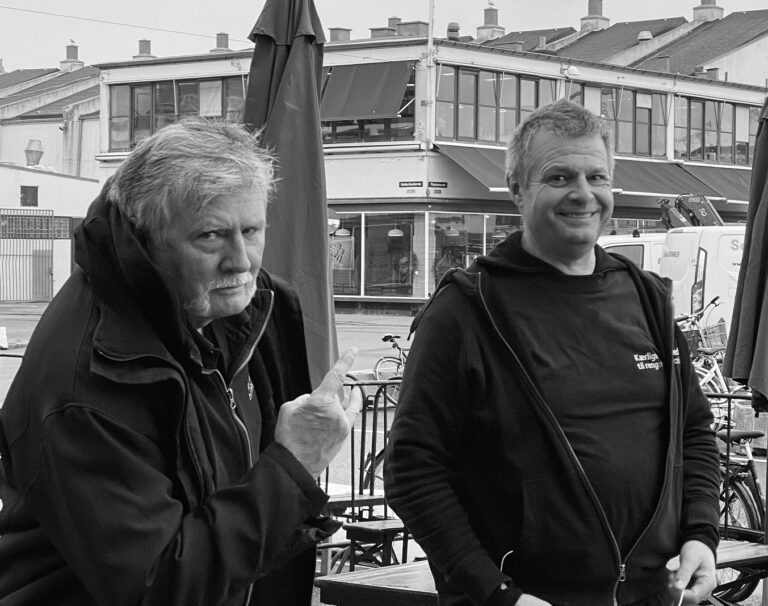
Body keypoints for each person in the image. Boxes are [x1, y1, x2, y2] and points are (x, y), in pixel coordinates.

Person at [0, 119, 361, 605]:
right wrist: (294, 466)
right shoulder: (90, 378)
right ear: (146, 238)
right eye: (211, 235)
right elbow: (158, 588)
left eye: (251, 230)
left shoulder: (243, 306)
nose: (242, 261)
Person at [385, 99, 720, 606]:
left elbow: (693, 431)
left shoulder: (647, 298)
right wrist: (495, 593)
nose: (583, 194)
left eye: (597, 177)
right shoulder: (469, 309)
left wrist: (701, 536)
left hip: (655, 594)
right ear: (517, 189)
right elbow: (412, 470)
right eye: (559, 177)